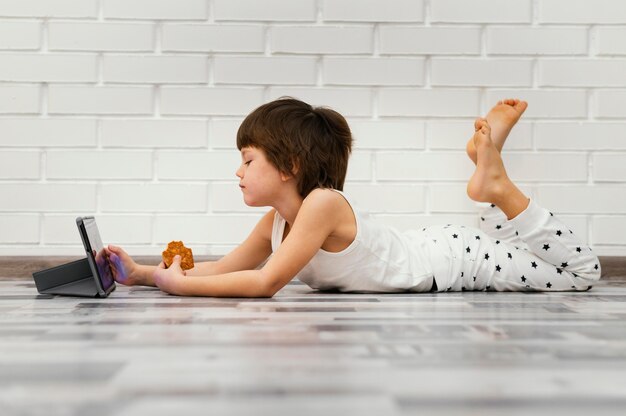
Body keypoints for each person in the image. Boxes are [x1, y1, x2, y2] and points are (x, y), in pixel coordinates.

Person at [105, 97, 601, 297]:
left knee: (581, 274)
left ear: (290, 166)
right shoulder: (279, 220)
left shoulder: (322, 203)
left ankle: (498, 187)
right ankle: (489, 180)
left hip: (456, 261)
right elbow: (228, 267)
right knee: (527, 252)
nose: (238, 172)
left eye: (248, 159)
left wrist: (176, 289)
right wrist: (145, 274)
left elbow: (263, 284)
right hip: (439, 245)